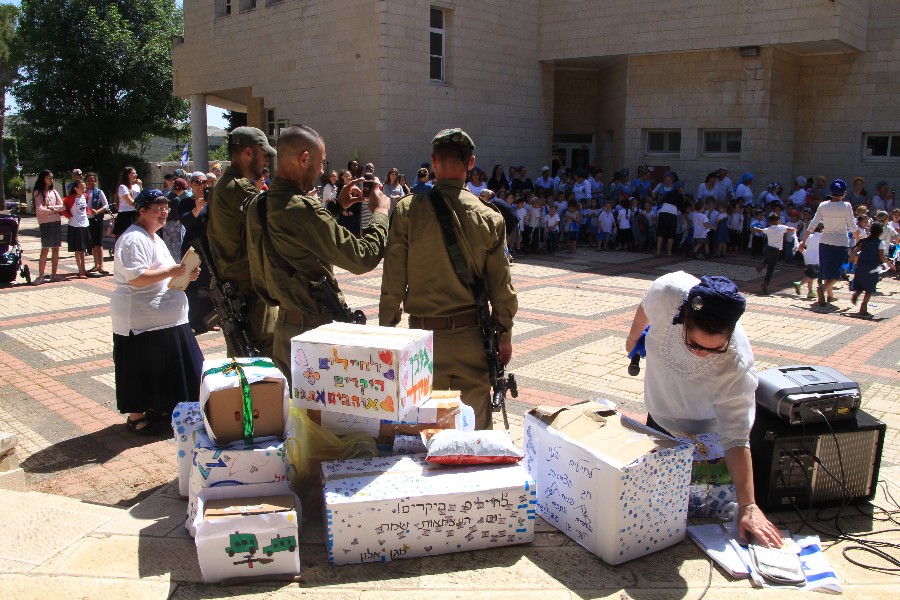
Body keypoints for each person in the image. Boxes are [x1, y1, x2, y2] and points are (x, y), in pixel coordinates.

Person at [625, 272, 783, 548]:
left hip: (708, 431)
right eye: (694, 344)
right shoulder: (668, 293)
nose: (702, 353)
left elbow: (736, 436)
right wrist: (633, 336)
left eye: (715, 349)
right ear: (684, 319)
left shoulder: (737, 362)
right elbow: (645, 306)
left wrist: (748, 506)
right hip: (660, 413)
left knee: (692, 502)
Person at [379, 128, 517, 430]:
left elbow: (392, 282)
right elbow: (502, 290)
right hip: (472, 338)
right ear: (471, 163)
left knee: (427, 431)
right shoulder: (490, 216)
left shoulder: (407, 211)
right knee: (476, 431)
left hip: (423, 342)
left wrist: (386, 331)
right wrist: (504, 335)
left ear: (433, 162)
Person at [245, 125, 390, 375]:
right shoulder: (303, 209)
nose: (322, 169)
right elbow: (362, 258)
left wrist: (337, 205)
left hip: (285, 329)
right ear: (304, 159)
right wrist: (380, 213)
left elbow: (291, 243)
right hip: (315, 337)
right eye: (321, 162)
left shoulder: (257, 205)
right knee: (323, 414)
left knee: (292, 414)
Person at [111, 189, 202, 435]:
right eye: (158, 208)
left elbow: (164, 270)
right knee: (139, 368)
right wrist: (174, 271)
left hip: (166, 320)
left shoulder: (154, 237)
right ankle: (136, 415)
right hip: (140, 320)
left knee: (165, 368)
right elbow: (137, 277)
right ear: (141, 211)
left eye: (166, 208)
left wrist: (185, 273)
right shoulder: (133, 239)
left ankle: (160, 407)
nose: (164, 212)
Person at [206, 126, 279, 357]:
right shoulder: (237, 187)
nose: (266, 160)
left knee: (247, 361)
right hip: (249, 290)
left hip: (239, 289)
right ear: (248, 153)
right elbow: (275, 223)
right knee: (265, 359)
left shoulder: (224, 185)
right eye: (263, 154)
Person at [798, 179, 859, 306]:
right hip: (840, 242)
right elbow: (853, 227)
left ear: (831, 192)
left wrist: (803, 241)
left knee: (827, 270)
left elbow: (813, 224)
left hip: (825, 241)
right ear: (844, 193)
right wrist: (858, 242)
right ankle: (823, 289)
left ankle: (830, 296)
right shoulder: (846, 206)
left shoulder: (823, 205)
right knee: (837, 271)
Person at [851, 222, 895, 318]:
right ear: (880, 233)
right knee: (869, 288)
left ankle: (856, 295)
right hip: (872, 268)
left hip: (861, 266)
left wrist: (851, 260)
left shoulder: (864, 241)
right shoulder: (880, 243)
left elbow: (854, 251)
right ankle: (863, 307)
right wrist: (890, 265)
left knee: (860, 284)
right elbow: (882, 257)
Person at [33, 170, 65, 283]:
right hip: (45, 223)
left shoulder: (54, 192)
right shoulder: (38, 192)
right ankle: (41, 275)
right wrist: (53, 210)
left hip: (56, 221)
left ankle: (54, 274)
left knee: (56, 249)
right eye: (49, 177)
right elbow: (39, 209)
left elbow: (63, 206)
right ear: (43, 178)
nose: (51, 180)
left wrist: (52, 209)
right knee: (45, 249)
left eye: (52, 177)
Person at [753, 212, 795, 294]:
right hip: (776, 250)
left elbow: (762, 230)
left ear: (769, 222)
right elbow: (790, 229)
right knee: (771, 268)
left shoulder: (768, 229)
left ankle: (761, 266)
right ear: (778, 221)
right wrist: (795, 229)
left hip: (769, 248)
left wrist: (757, 229)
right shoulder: (781, 227)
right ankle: (765, 284)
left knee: (768, 258)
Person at [62, 180, 93, 279]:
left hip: (84, 224)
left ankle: (84, 269)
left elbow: (85, 207)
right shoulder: (69, 198)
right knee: (78, 249)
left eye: (85, 188)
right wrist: (70, 216)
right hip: (75, 225)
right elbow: (62, 207)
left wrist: (88, 212)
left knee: (83, 249)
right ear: (75, 188)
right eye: (82, 188)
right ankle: (80, 270)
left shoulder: (85, 196)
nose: (84, 190)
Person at [84, 172, 110, 275]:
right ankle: (96, 265)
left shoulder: (99, 192)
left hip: (97, 219)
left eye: (93, 180)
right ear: (85, 181)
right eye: (89, 180)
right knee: (92, 244)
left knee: (99, 243)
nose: (91, 182)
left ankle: (101, 266)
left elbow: (106, 205)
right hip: (87, 220)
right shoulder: (83, 192)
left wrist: (98, 211)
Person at [794, 223, 823, 300]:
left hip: (807, 257)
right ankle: (799, 283)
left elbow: (801, 245)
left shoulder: (809, 236)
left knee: (810, 274)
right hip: (816, 259)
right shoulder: (822, 237)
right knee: (813, 276)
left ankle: (810, 292)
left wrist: (804, 252)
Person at [112, 166, 141, 238]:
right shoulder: (123, 187)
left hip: (135, 213)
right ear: (127, 175)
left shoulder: (136, 186)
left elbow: (141, 197)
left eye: (136, 173)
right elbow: (131, 203)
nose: (136, 175)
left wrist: (140, 186)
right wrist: (142, 204)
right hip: (125, 215)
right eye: (133, 173)